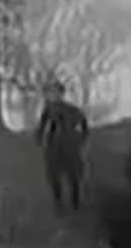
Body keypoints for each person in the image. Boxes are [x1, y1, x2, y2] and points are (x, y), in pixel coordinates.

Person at [35, 79, 90, 214]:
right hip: (55, 146)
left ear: (60, 94)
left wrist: (80, 139)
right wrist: (40, 139)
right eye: (48, 93)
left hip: (68, 145)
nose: (49, 96)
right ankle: (60, 204)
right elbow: (42, 126)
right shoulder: (49, 110)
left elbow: (84, 125)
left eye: (52, 93)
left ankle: (74, 202)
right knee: (55, 176)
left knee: (73, 175)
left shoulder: (71, 110)